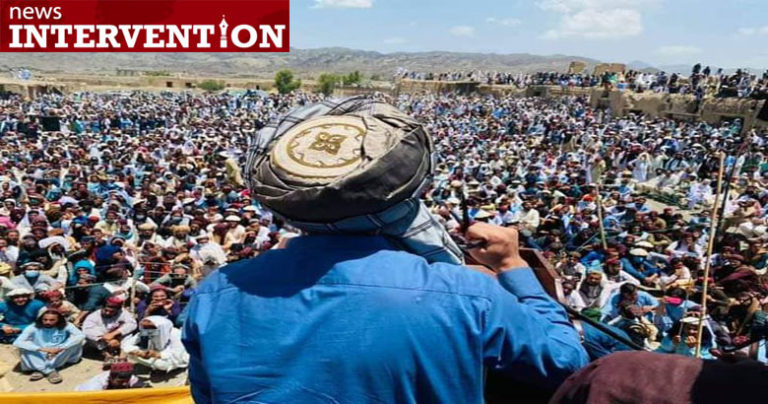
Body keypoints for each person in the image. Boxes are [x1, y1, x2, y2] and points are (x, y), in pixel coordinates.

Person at [183, 99, 588, 403]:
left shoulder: (216, 294)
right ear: (403, 193)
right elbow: (566, 362)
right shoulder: (465, 294)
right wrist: (512, 264)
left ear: (285, 203)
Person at [13, 308, 84, 383]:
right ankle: (50, 371)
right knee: (24, 347)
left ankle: (41, 370)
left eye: (52, 320)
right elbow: (17, 342)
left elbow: (80, 335)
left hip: (58, 351)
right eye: (45, 319)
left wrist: (62, 347)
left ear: (58, 320)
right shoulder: (33, 327)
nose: (48, 322)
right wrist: (42, 349)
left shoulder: (66, 325)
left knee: (76, 342)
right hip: (40, 352)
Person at [121, 316, 189, 372]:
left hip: (173, 359)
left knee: (161, 365)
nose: (147, 330)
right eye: (145, 327)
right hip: (152, 354)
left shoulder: (176, 334)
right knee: (129, 352)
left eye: (150, 327)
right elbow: (126, 344)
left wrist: (157, 354)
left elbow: (177, 355)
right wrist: (138, 352)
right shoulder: (146, 332)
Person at [82, 297, 137, 361]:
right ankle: (107, 355)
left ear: (118, 310)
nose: (107, 313)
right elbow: (86, 330)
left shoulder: (123, 313)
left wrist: (114, 334)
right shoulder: (93, 316)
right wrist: (105, 339)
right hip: (102, 339)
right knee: (90, 337)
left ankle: (122, 355)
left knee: (128, 333)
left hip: (117, 337)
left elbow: (132, 324)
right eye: (106, 310)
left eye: (111, 311)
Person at [75, 361, 146, 391]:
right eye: (120, 382)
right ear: (111, 377)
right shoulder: (96, 386)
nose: (125, 383)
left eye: (127, 381)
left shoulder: (126, 377)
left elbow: (146, 388)